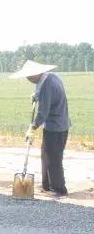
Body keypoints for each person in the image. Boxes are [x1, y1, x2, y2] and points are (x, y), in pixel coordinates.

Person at [13, 60, 71, 197]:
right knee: (46, 156)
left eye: (29, 77)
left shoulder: (47, 85)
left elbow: (43, 112)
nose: (28, 80)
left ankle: (59, 190)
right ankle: (47, 185)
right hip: (56, 125)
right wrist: (36, 96)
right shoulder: (51, 77)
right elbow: (48, 96)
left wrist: (32, 127)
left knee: (53, 159)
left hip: (56, 127)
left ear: (35, 74)